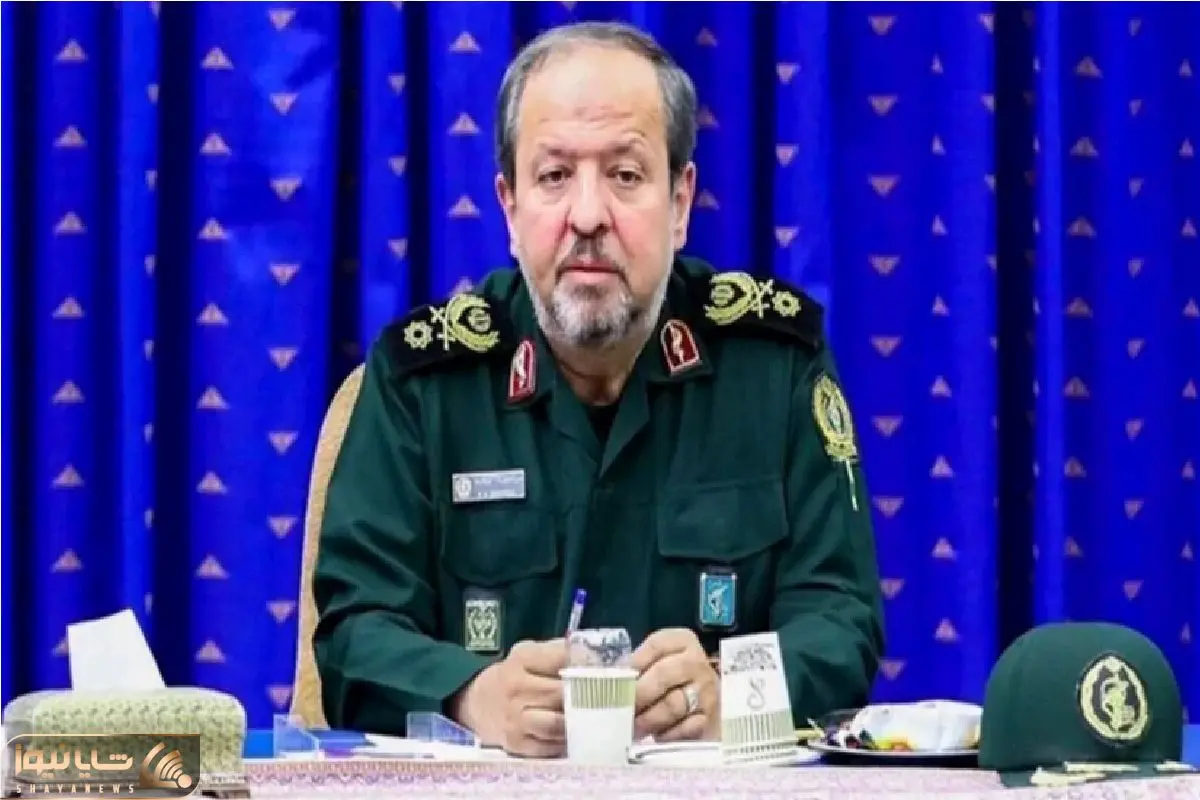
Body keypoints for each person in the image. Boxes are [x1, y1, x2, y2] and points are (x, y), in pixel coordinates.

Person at [312, 20, 885, 758]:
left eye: (625, 175)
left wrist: (728, 692)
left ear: (680, 203)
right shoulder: (424, 381)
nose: (587, 216)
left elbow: (840, 621)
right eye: (554, 177)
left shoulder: (774, 366)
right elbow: (354, 629)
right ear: (509, 207)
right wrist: (472, 695)